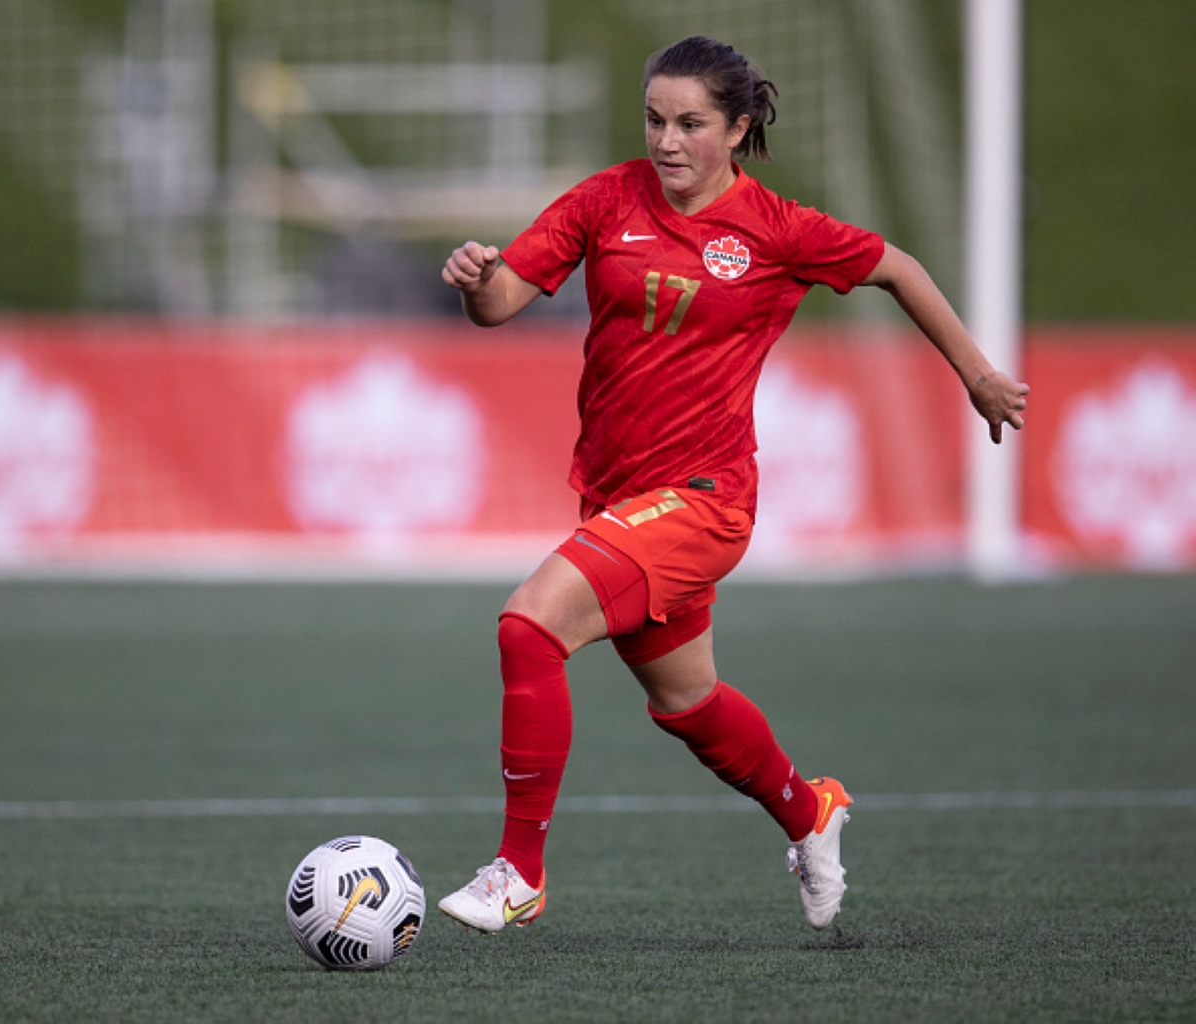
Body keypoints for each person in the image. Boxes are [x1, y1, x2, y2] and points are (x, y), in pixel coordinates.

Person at [437, 35, 1029, 935]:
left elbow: (897, 267)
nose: (667, 141)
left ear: (738, 127)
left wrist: (977, 374)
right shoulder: (607, 199)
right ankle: (810, 810)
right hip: (617, 495)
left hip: (705, 501)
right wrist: (477, 281)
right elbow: (503, 303)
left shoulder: (777, 230)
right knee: (686, 703)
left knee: (528, 626)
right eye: (654, 119)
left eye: (691, 124)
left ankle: (518, 872)